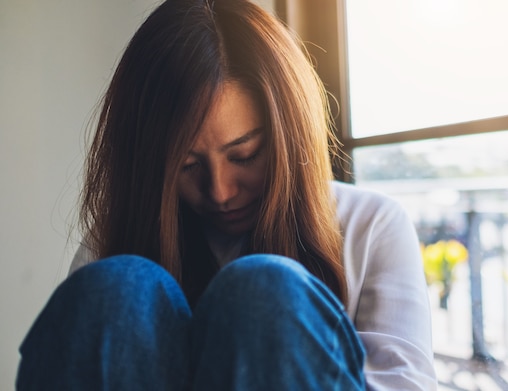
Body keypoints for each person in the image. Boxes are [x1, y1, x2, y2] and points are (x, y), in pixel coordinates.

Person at [17, 0, 437, 389]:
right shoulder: (110, 245)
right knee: (115, 289)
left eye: (245, 155)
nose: (219, 191)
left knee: (266, 292)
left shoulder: (372, 224)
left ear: (289, 138)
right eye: (187, 165)